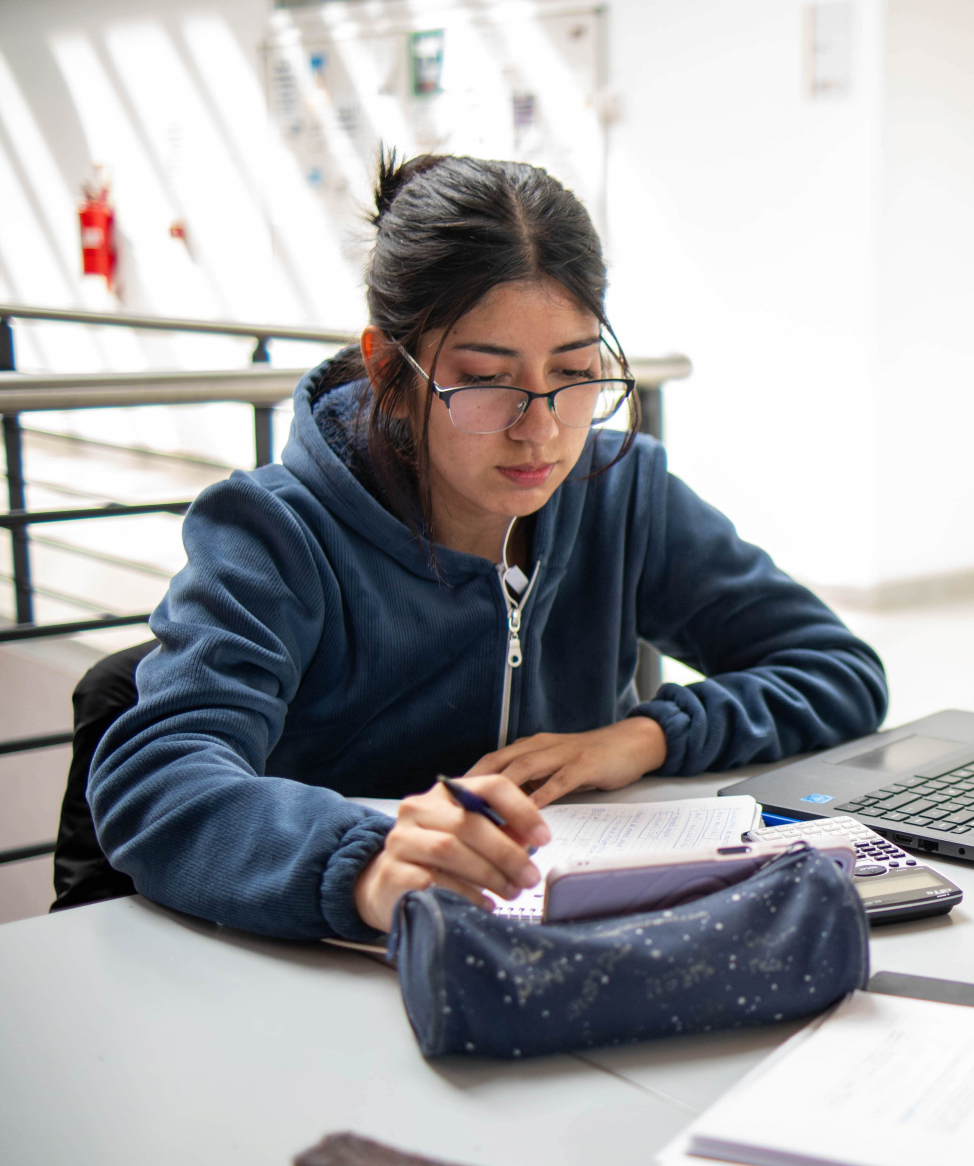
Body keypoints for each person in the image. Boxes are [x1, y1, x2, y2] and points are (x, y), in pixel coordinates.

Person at [87, 154, 887, 943]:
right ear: (390, 373)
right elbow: (158, 778)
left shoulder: (619, 492)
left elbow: (838, 670)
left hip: (557, 946)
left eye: (574, 372)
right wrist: (367, 865)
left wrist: (643, 737)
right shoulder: (274, 532)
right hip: (327, 977)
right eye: (485, 381)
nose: (539, 428)